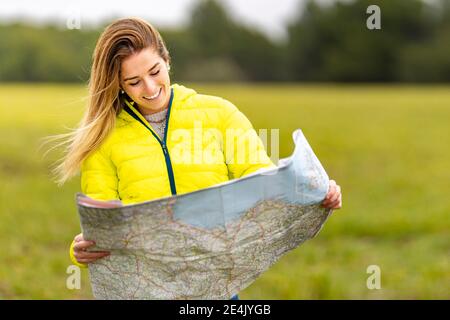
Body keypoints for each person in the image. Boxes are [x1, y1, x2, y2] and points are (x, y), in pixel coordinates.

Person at [56, 17, 342, 299]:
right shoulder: (104, 139)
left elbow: (264, 181)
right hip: (148, 290)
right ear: (118, 84)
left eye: (155, 71)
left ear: (167, 60)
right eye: (134, 82)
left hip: (216, 290)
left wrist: (318, 192)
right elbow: (101, 221)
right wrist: (79, 250)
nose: (150, 88)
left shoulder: (219, 114)